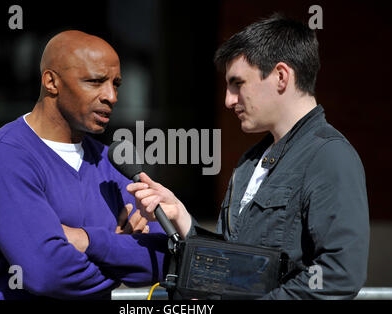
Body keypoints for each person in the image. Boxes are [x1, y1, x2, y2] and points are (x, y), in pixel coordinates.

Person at [128, 14, 370, 299]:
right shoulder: (251, 161)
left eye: (238, 83)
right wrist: (182, 218)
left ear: (281, 76)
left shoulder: (330, 156)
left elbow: (338, 276)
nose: (229, 100)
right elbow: (233, 265)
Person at [0, 30, 168, 300]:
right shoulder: (4, 157)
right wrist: (121, 251)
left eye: (116, 83)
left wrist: (87, 240)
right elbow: (47, 274)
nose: (112, 96)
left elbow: (167, 257)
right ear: (51, 81)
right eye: (95, 82)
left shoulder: (112, 162)